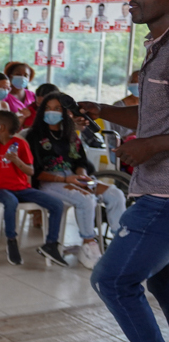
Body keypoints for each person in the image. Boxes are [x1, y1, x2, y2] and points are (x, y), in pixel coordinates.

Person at [81, 0, 169, 342]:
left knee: (113, 280)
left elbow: (155, 133)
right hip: (153, 186)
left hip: (164, 194)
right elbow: (148, 117)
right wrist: (99, 109)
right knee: (164, 284)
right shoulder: (157, 46)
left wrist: (151, 148)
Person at [26, 94, 126, 270]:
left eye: (57, 109)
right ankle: (89, 244)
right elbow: (35, 172)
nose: (52, 112)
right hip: (49, 181)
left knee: (114, 193)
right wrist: (66, 179)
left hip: (74, 177)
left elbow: (80, 161)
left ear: (65, 112)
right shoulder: (34, 136)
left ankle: (120, 243)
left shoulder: (70, 134)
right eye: (48, 108)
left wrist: (81, 175)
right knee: (86, 199)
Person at [0, 110, 67, 268]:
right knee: (11, 201)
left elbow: (30, 171)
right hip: (0, 189)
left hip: (22, 188)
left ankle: (51, 244)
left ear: (1, 128)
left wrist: (16, 160)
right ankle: (12, 241)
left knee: (57, 204)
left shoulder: (20, 144)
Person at [108, 71, 140, 140]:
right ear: (129, 83)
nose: (137, 84)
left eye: (140, 81)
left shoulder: (150, 106)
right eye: (133, 81)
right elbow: (115, 135)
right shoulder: (118, 106)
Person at [4, 62, 36, 126]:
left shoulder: (32, 95)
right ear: (10, 76)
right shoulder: (4, 96)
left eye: (25, 75)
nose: (22, 77)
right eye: (18, 74)